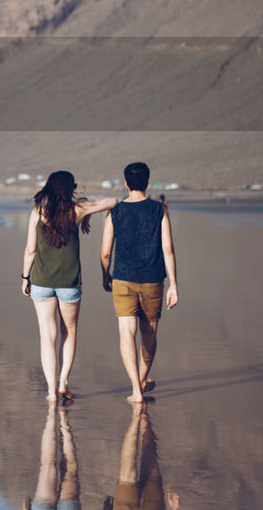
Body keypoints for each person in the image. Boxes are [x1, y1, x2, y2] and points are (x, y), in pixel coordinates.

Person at [22, 170, 117, 403]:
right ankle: (63, 383)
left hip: (42, 282)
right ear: (70, 189)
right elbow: (112, 201)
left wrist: (25, 278)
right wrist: (86, 212)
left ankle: (51, 392)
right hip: (69, 283)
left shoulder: (37, 212)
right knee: (69, 332)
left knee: (48, 336)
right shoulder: (77, 210)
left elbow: (30, 250)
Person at [100, 162, 178, 403]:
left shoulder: (116, 210)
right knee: (150, 333)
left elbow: (105, 251)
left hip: (123, 279)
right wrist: (174, 284)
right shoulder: (159, 209)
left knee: (126, 333)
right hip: (153, 279)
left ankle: (136, 389)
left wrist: (106, 275)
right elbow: (168, 248)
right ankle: (143, 379)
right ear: (147, 182)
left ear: (125, 183)